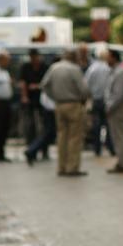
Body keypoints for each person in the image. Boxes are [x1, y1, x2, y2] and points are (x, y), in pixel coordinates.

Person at [40, 48, 89, 176]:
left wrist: (54, 97)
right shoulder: (74, 69)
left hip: (59, 105)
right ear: (74, 57)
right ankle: (72, 167)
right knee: (75, 137)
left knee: (62, 137)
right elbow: (84, 89)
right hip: (73, 104)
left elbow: (44, 85)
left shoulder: (54, 68)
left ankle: (61, 167)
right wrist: (83, 99)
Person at [104, 49, 123, 173]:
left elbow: (118, 95)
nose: (106, 60)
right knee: (118, 136)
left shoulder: (121, 73)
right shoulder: (116, 72)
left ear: (114, 58)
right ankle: (122, 161)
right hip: (116, 108)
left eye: (108, 57)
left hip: (118, 109)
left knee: (120, 136)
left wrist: (109, 107)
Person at [84, 50, 115, 157]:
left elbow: (86, 84)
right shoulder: (108, 69)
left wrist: (90, 96)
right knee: (108, 124)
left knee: (96, 125)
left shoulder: (92, 69)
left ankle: (97, 149)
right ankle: (111, 147)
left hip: (96, 100)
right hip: (106, 100)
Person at [19, 49, 49, 152]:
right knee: (31, 125)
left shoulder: (45, 67)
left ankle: (44, 149)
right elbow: (23, 83)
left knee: (44, 125)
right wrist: (24, 96)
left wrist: (37, 86)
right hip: (30, 99)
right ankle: (32, 147)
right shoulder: (26, 67)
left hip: (43, 99)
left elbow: (47, 82)